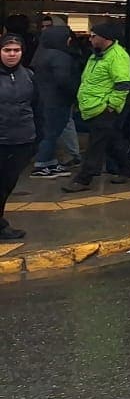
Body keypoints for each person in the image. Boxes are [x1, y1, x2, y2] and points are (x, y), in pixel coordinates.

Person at [61, 22, 130, 193]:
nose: (90, 39)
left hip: (104, 107)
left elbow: (123, 84)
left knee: (96, 144)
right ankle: (127, 169)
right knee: (111, 141)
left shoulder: (117, 56)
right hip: (93, 106)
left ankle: (84, 178)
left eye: (94, 36)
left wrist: (111, 105)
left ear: (105, 38)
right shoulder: (97, 55)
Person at [0, 34, 38, 240]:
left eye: (16, 50)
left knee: (7, 185)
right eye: (7, 50)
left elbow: (37, 106)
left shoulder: (29, 76)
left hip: (21, 140)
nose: (12, 54)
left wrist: (36, 135)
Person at [30, 24, 78, 178]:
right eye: (67, 37)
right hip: (57, 101)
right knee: (52, 133)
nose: (70, 40)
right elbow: (64, 80)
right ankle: (42, 164)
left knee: (47, 132)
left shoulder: (41, 54)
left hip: (43, 100)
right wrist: (76, 92)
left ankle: (50, 162)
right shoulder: (61, 56)